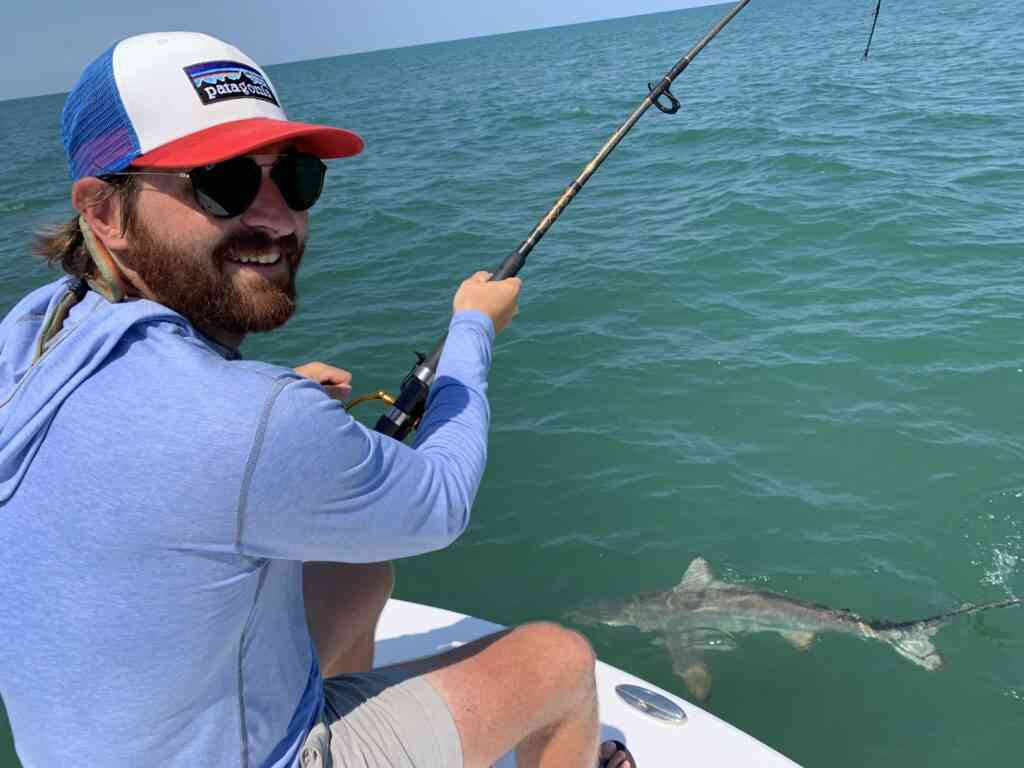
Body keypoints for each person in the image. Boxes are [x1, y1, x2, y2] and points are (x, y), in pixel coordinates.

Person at [0, 31, 635, 768]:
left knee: (357, 572)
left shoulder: (30, 334)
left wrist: (274, 407)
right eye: (224, 181)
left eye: (295, 177)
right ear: (105, 212)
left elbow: (148, 438)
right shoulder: (251, 421)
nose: (277, 216)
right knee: (557, 663)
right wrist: (472, 331)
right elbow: (442, 499)